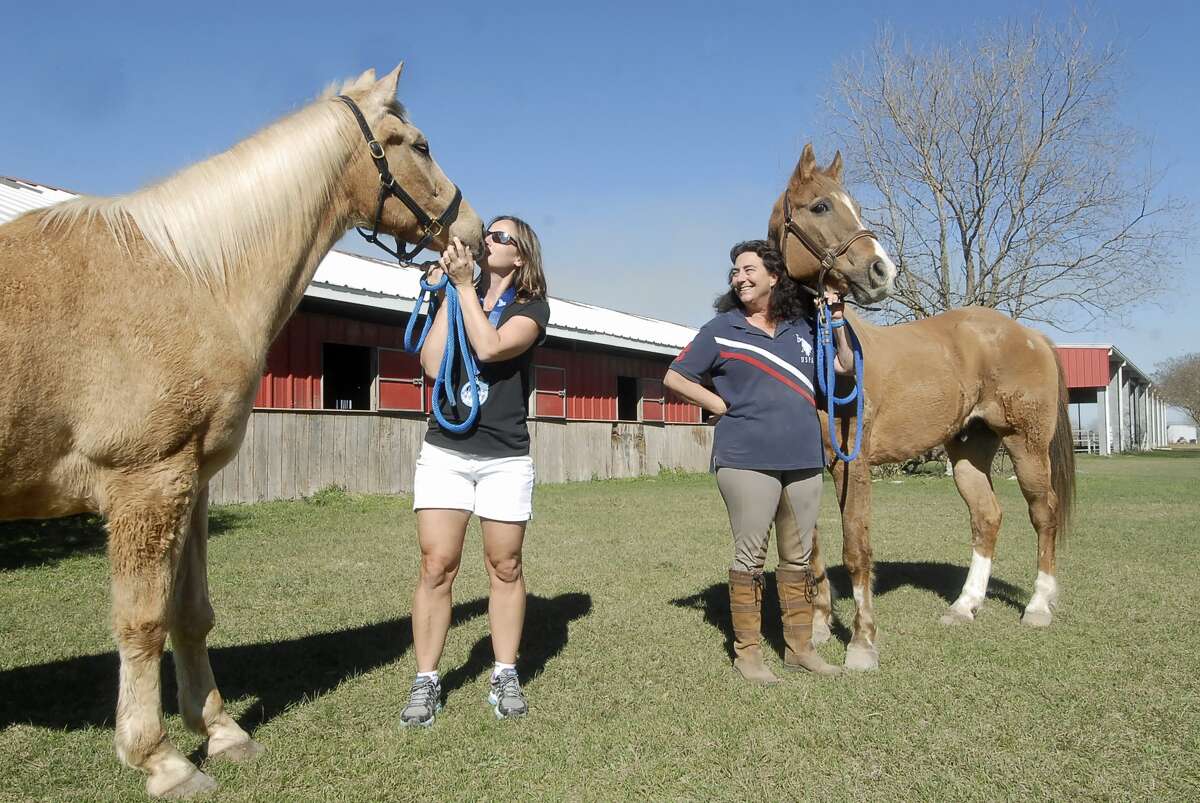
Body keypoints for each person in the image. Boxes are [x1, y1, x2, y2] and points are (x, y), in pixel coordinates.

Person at [663, 240, 854, 684]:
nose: (740, 277)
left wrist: (837, 319)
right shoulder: (722, 328)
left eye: (749, 269)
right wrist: (719, 403)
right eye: (735, 271)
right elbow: (675, 375)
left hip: (804, 457)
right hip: (745, 458)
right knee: (750, 557)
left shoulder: (806, 327)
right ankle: (748, 653)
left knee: (799, 557)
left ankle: (799, 648)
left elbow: (843, 368)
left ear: (774, 276)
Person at [400, 216, 550, 726]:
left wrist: (465, 288)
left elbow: (489, 347)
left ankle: (504, 670)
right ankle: (426, 680)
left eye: (501, 238)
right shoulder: (460, 293)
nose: (488, 241)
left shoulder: (532, 308)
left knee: (504, 566)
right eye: (489, 234)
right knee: (436, 565)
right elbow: (431, 362)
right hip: (447, 450)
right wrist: (449, 292)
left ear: (522, 256)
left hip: (504, 455)